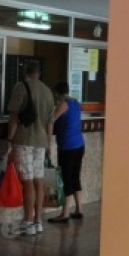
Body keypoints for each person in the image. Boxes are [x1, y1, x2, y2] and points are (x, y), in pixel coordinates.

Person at [4, 60, 57, 236]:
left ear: (25, 71)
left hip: (25, 140)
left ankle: (27, 221)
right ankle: (38, 221)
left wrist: (10, 139)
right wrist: (49, 143)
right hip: (41, 142)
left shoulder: (21, 87)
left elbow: (14, 117)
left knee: (27, 181)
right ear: (39, 73)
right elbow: (50, 122)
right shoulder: (48, 91)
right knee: (38, 180)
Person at [47, 81, 86, 223]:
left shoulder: (63, 104)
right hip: (79, 144)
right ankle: (79, 209)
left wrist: (48, 143)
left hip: (67, 146)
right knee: (75, 177)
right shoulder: (75, 102)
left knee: (67, 178)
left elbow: (50, 121)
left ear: (57, 92)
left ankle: (65, 213)